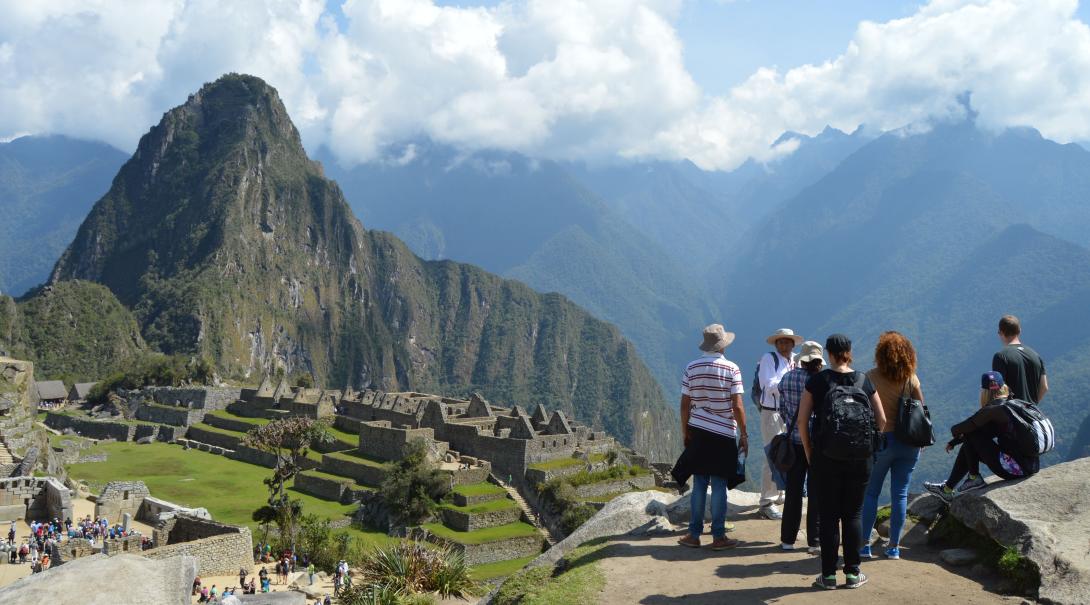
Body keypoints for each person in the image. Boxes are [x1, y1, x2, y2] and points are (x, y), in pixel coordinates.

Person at [798, 334, 886, 590]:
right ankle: (852, 574)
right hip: (860, 459)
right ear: (849, 351)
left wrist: (809, 452)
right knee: (853, 514)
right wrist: (868, 447)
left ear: (828, 353)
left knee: (828, 517)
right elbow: (881, 420)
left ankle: (827, 576)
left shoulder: (817, 381)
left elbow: (803, 421)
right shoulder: (864, 380)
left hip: (825, 458)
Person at [676, 324, 749, 550]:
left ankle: (693, 534)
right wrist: (744, 434)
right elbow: (737, 405)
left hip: (698, 430)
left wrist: (685, 430)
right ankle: (718, 537)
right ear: (723, 345)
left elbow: (685, 403)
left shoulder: (691, 367)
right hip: (723, 432)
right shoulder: (732, 369)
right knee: (718, 485)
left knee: (699, 484)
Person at [924, 372, 1041, 501]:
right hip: (1031, 465)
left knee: (971, 434)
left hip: (1016, 469)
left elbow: (959, 428)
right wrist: (956, 441)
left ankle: (973, 478)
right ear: (1004, 387)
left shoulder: (993, 410)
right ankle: (947, 489)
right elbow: (985, 432)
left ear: (984, 392)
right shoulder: (1012, 404)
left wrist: (957, 436)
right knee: (972, 437)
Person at [860, 331, 925, 560]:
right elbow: (921, 411)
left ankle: (864, 545)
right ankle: (894, 547)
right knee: (900, 494)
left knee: (870, 493)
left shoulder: (870, 377)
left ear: (880, 354)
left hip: (880, 441)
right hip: (908, 443)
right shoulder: (911, 378)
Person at [777, 340, 825, 552]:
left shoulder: (787, 379)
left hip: (794, 443)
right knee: (816, 492)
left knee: (793, 492)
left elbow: (782, 408)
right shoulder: (822, 382)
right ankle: (814, 542)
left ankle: (788, 540)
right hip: (816, 444)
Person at [755, 328, 803, 519]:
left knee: (788, 453)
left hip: (789, 413)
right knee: (773, 454)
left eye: (787, 341)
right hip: (772, 413)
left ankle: (781, 492)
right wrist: (790, 382)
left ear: (793, 344)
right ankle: (766, 502)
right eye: (780, 342)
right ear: (776, 344)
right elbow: (767, 384)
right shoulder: (769, 359)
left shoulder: (794, 361)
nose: (783, 345)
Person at [992, 315, 1047, 404]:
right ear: (1019, 331)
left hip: (1010, 414)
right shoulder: (1036, 355)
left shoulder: (1001, 356)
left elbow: (998, 390)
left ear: (1000, 332)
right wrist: (1030, 406)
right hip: (1031, 415)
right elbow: (1044, 387)